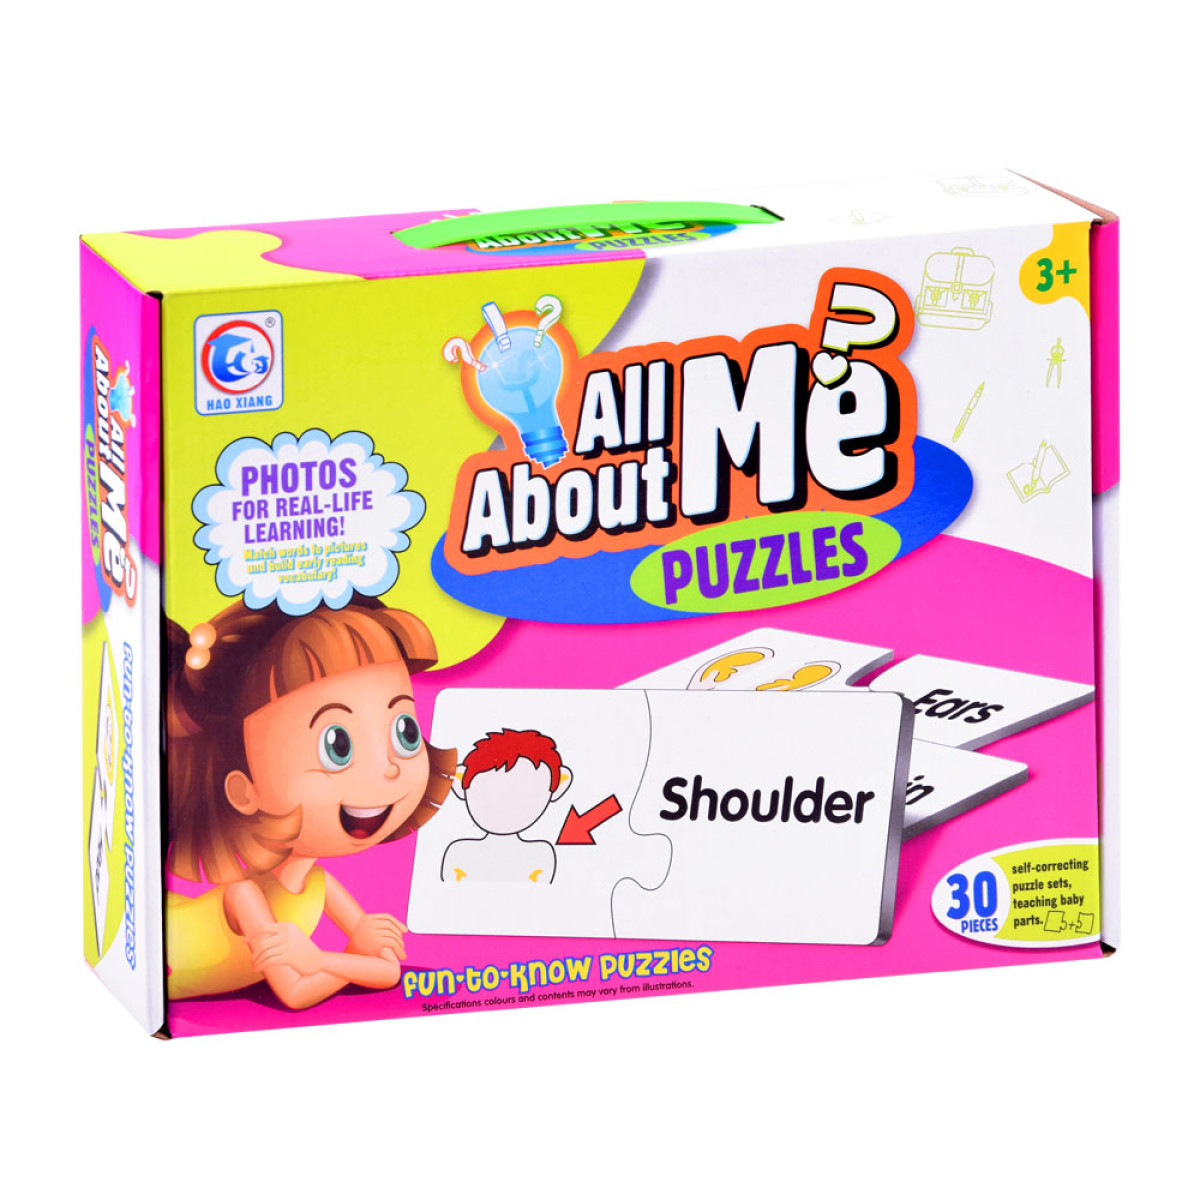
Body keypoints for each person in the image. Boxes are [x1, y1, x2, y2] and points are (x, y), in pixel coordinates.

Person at [165, 597, 454, 1009]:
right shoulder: (243, 895)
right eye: (338, 746)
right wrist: (344, 958)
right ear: (244, 791)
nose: (388, 768)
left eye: (404, 731)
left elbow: (388, 973)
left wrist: (321, 959)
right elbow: (295, 992)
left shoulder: (320, 884)